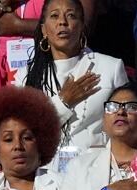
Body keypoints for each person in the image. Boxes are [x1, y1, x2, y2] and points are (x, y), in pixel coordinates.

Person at [18, 0, 129, 155]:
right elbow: (23, 132)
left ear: (82, 26)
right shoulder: (25, 76)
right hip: (46, 172)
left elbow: (126, 124)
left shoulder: (111, 67)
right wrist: (64, 101)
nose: (62, 22)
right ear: (43, 30)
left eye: (71, 16)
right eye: (54, 16)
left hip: (95, 168)